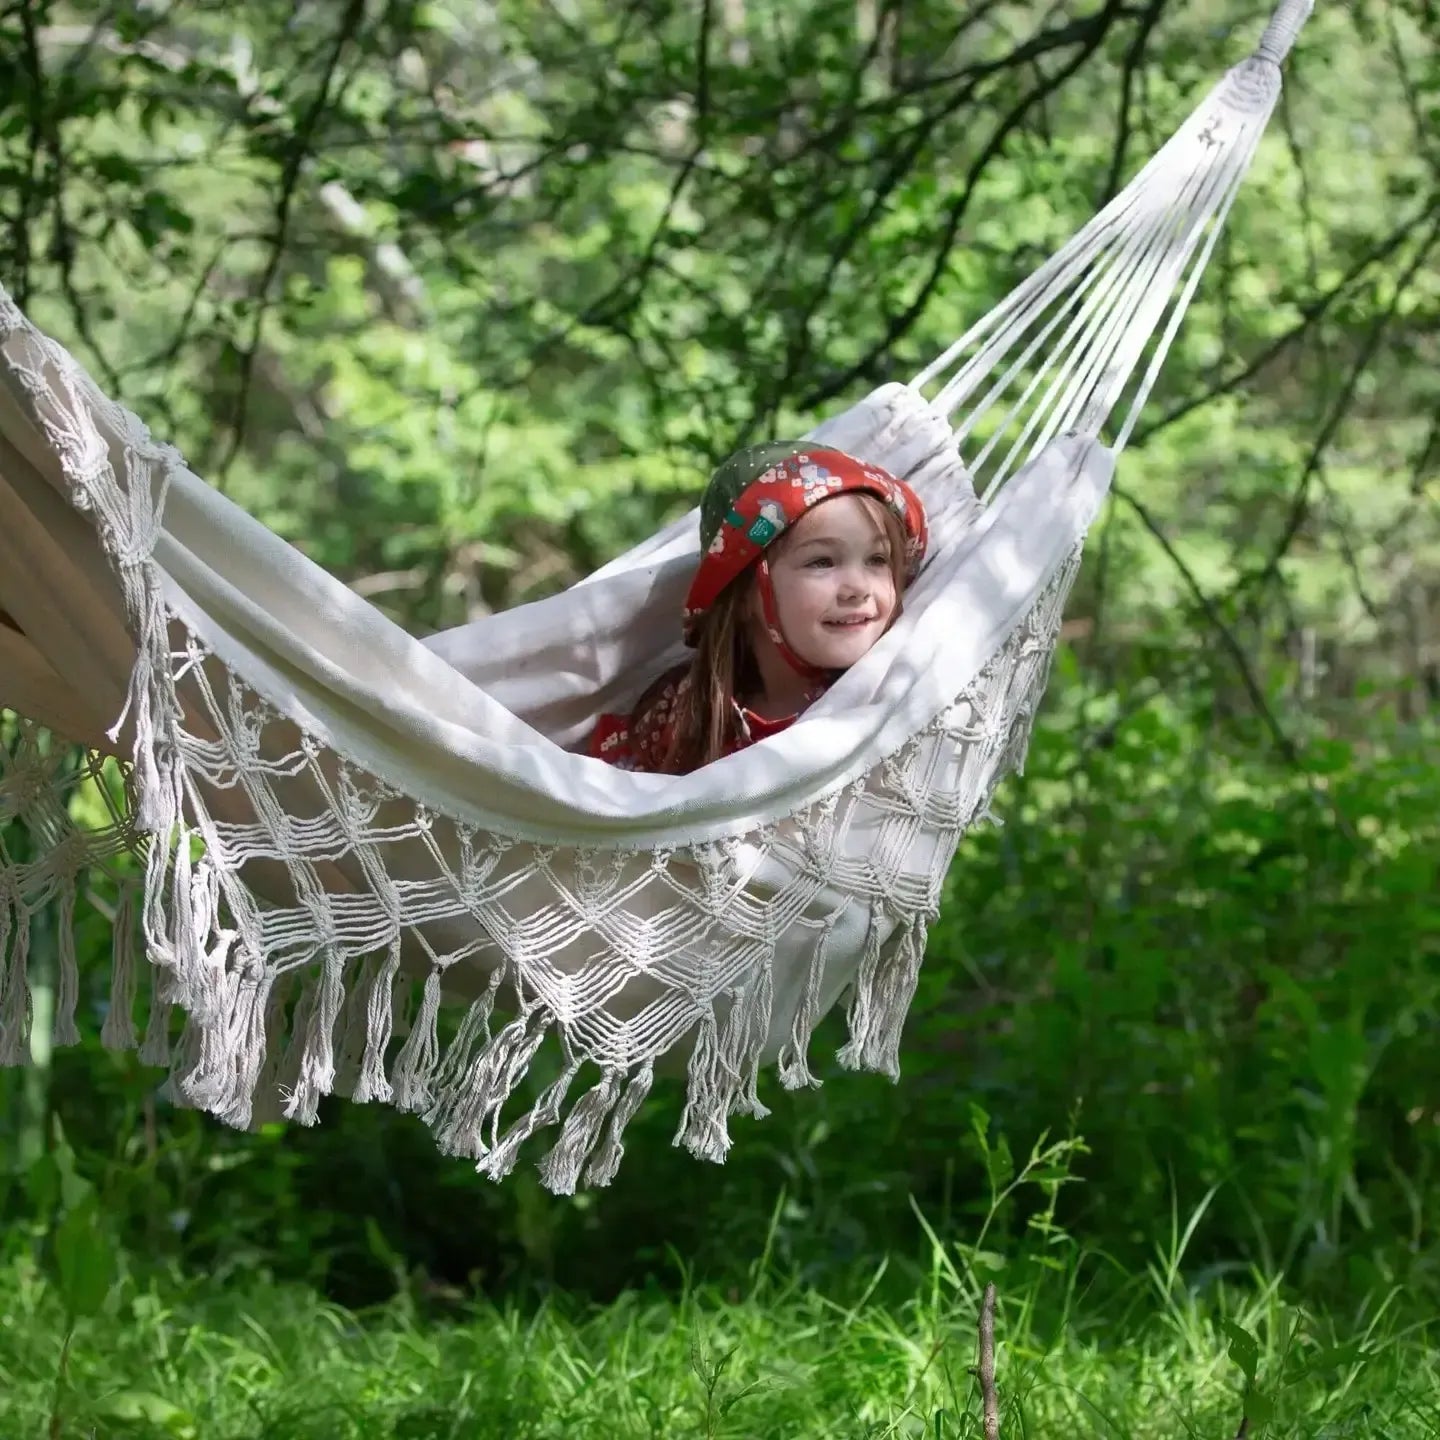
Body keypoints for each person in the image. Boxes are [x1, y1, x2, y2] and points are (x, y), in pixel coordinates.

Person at [588, 442, 928, 774]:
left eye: (877, 559)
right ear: (746, 594)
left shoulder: (895, 697)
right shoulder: (685, 714)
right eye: (822, 562)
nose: (858, 588)